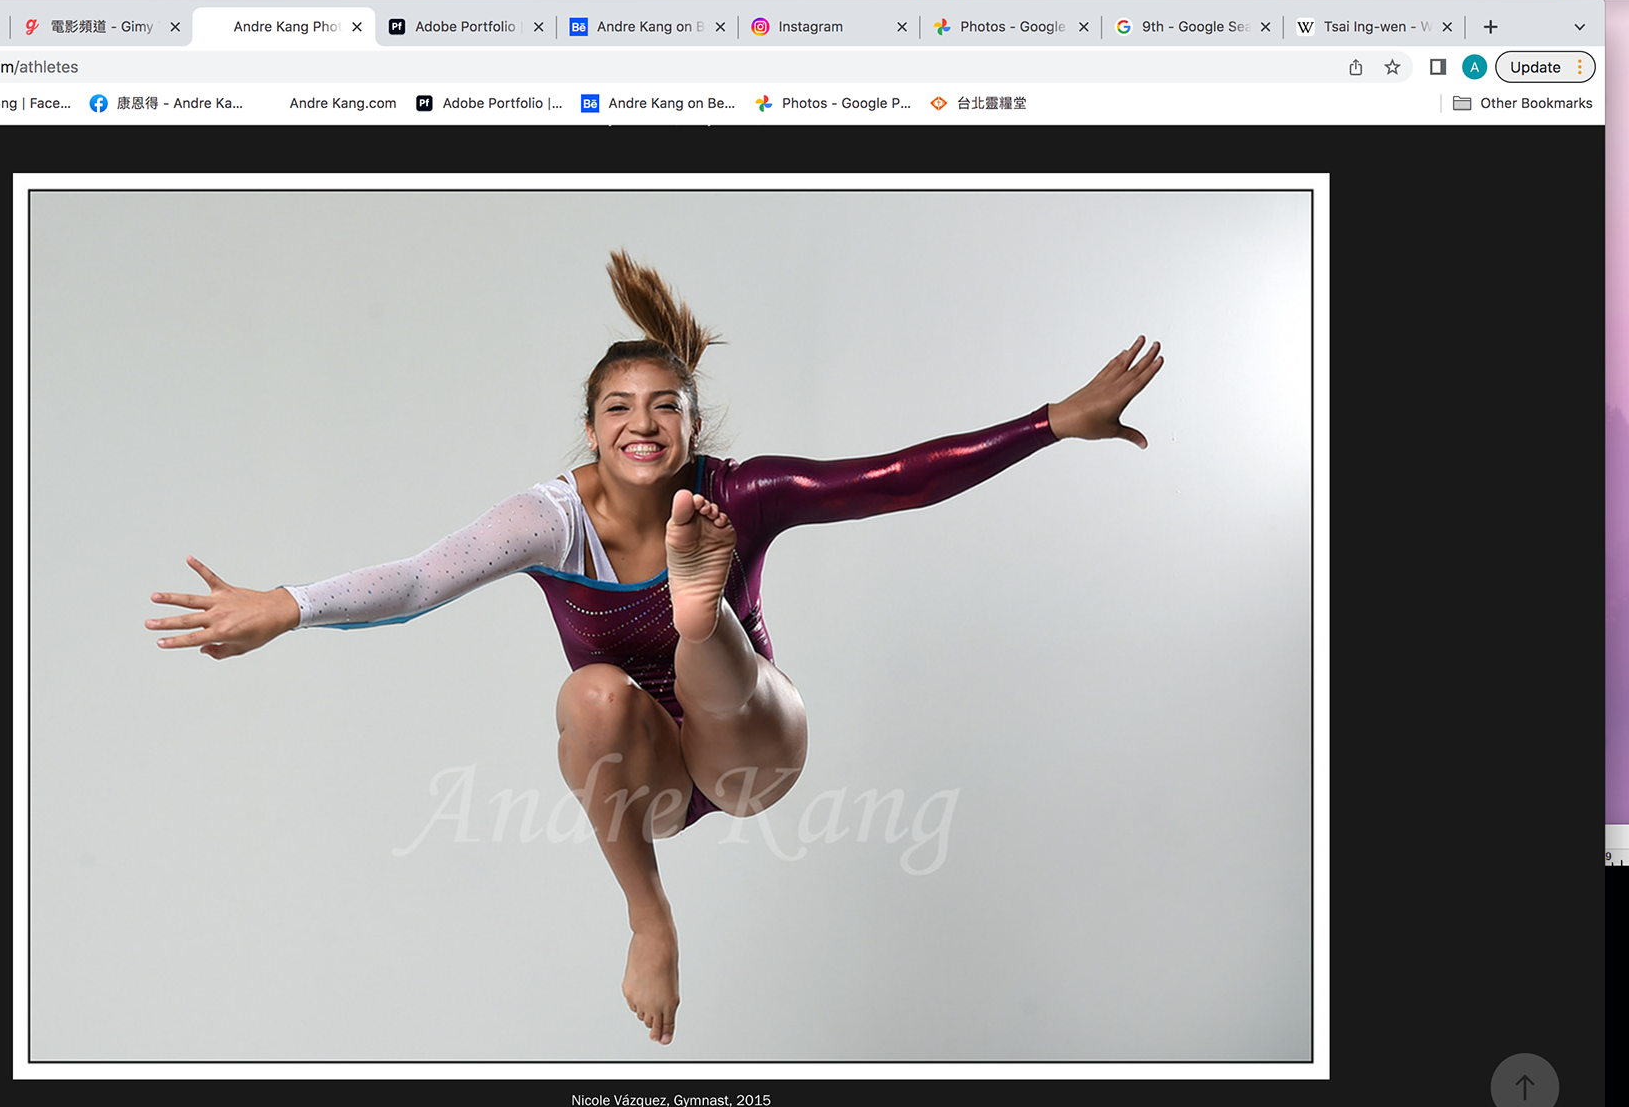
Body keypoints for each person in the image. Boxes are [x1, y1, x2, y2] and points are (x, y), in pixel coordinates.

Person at [146, 252, 1164, 1047]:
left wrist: (1052, 423)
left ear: (692, 423)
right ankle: (651, 920)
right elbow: (416, 583)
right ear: (590, 431)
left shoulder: (743, 491)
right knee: (589, 694)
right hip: (653, 782)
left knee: (699, 648)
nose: (643, 423)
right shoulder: (548, 520)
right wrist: (288, 604)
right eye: (619, 409)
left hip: (750, 744)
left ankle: (699, 613)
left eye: (664, 406)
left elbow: (897, 479)